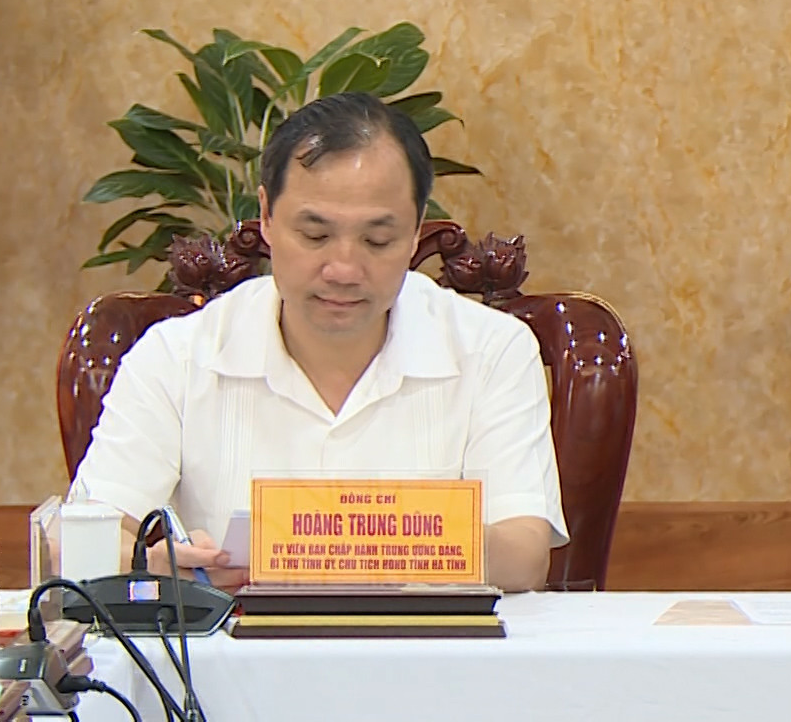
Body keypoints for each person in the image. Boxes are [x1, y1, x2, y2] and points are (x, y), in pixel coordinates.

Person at [73, 92, 565, 592]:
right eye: (314, 235)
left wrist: (333, 546)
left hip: (425, 643)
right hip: (236, 642)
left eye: (377, 240)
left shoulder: (492, 349)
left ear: (417, 230)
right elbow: (74, 543)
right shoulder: (177, 356)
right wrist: (157, 566)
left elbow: (523, 556)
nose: (343, 270)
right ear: (266, 216)